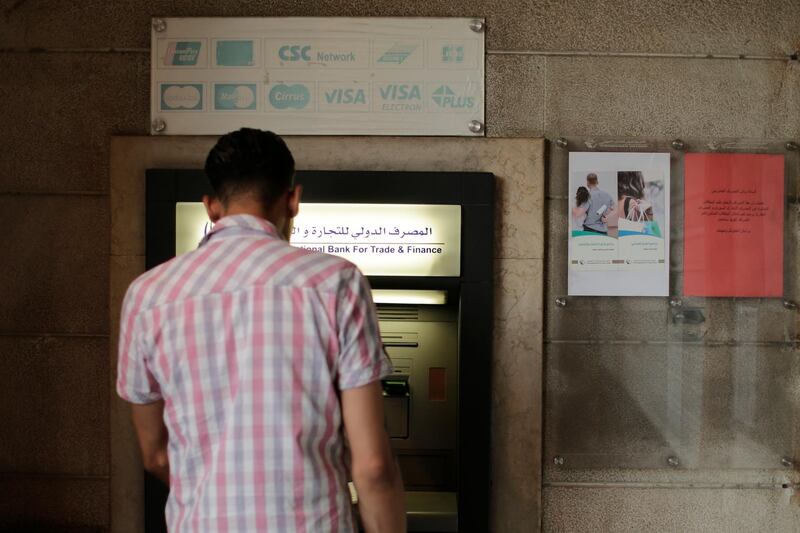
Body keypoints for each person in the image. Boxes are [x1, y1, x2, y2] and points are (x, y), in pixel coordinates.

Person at [117, 128, 405, 532]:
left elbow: (155, 456)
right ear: (293, 200)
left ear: (211, 207)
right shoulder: (335, 283)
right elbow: (373, 465)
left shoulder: (147, 296)